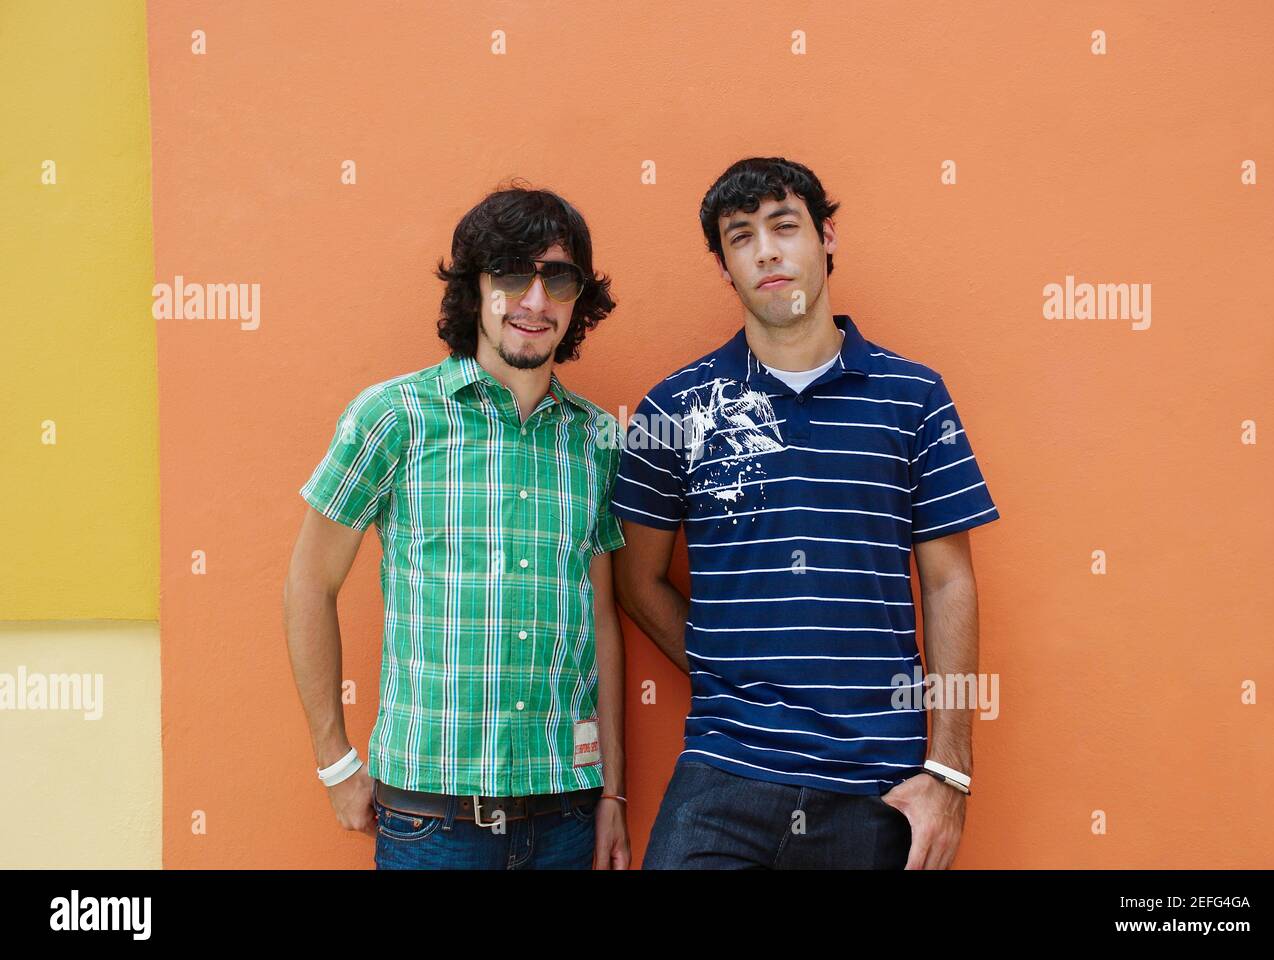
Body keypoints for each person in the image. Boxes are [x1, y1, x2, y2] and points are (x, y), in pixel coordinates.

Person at [611, 157, 999, 869]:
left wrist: (949, 773)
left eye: (784, 226)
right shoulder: (675, 410)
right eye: (740, 237)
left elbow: (950, 584)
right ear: (725, 268)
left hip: (876, 781)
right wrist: (725, 672)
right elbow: (637, 583)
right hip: (726, 768)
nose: (765, 250)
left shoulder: (914, 398)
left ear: (827, 238)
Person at [284, 182, 630, 869]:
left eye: (557, 278)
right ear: (476, 290)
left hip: (564, 815)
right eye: (510, 275)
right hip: (431, 821)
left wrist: (612, 796)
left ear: (577, 300)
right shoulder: (396, 417)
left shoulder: (596, 438)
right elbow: (308, 584)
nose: (534, 301)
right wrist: (334, 763)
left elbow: (602, 619)